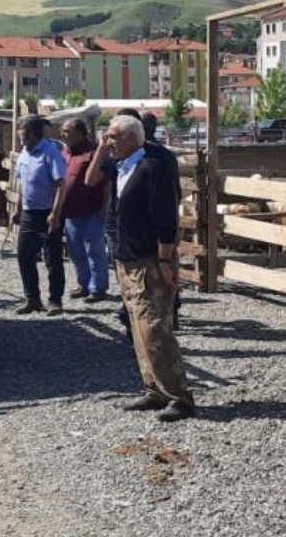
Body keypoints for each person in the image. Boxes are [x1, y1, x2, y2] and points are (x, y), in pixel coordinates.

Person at [104, 114, 195, 422]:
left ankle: (179, 396)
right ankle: (155, 388)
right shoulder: (123, 167)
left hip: (149, 261)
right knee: (138, 328)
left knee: (154, 328)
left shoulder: (151, 168)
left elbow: (166, 219)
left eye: (113, 137)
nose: (108, 142)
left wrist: (166, 260)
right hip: (127, 259)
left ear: (131, 138)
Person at [13, 115, 67, 315]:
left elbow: (61, 184)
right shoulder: (24, 153)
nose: (19, 134)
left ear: (33, 134)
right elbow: (22, 183)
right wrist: (18, 209)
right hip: (29, 213)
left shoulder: (50, 152)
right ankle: (32, 299)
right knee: (24, 256)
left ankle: (55, 300)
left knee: (52, 258)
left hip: (48, 212)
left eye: (23, 131)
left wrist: (55, 213)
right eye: (19, 130)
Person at [59, 118, 110, 303]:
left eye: (67, 131)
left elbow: (107, 183)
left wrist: (104, 207)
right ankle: (84, 284)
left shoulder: (94, 154)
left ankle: (98, 287)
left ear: (80, 134)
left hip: (91, 210)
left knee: (94, 250)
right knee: (75, 251)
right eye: (63, 131)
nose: (63, 134)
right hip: (70, 212)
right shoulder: (64, 152)